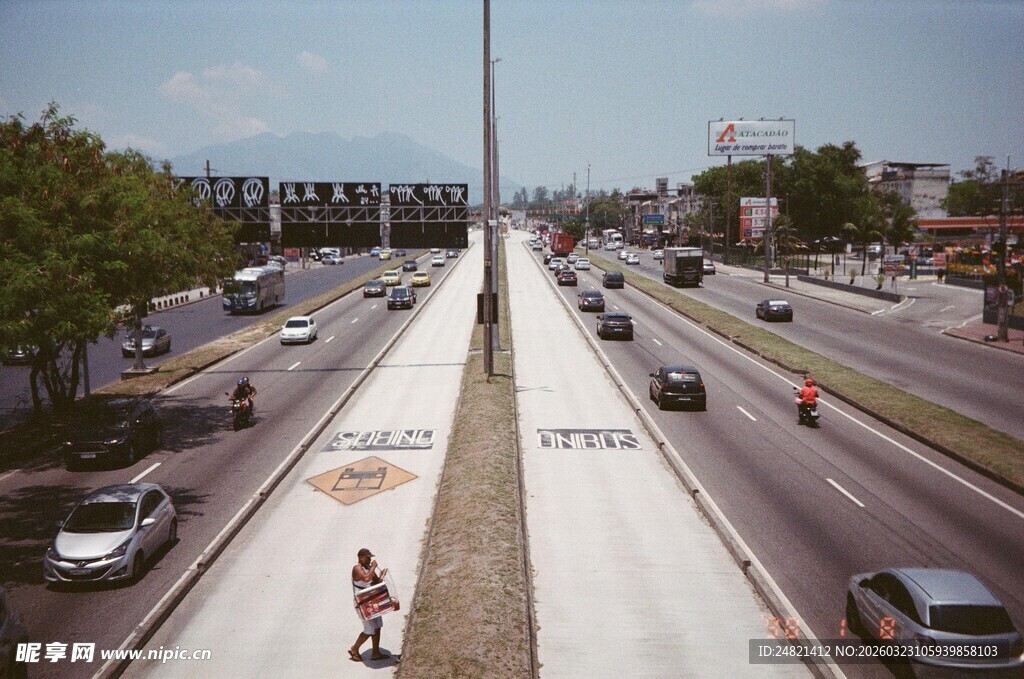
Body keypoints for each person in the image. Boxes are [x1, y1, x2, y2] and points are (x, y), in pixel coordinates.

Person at [349, 548, 391, 662]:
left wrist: (381, 575)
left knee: (377, 626)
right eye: (368, 558)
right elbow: (367, 578)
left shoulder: (368, 568)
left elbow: (375, 582)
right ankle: (354, 648)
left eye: (370, 557)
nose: (370, 560)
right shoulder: (357, 568)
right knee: (369, 629)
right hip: (362, 603)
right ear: (361, 557)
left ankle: (376, 653)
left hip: (371, 601)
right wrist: (373, 567)